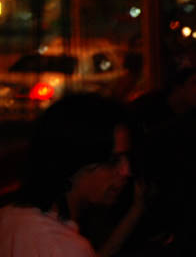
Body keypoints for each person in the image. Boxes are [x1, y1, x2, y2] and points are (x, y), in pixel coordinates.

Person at [0, 94, 139, 257]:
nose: (126, 171)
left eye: (127, 159)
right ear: (74, 160)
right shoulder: (66, 246)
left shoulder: (8, 218)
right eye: (113, 161)